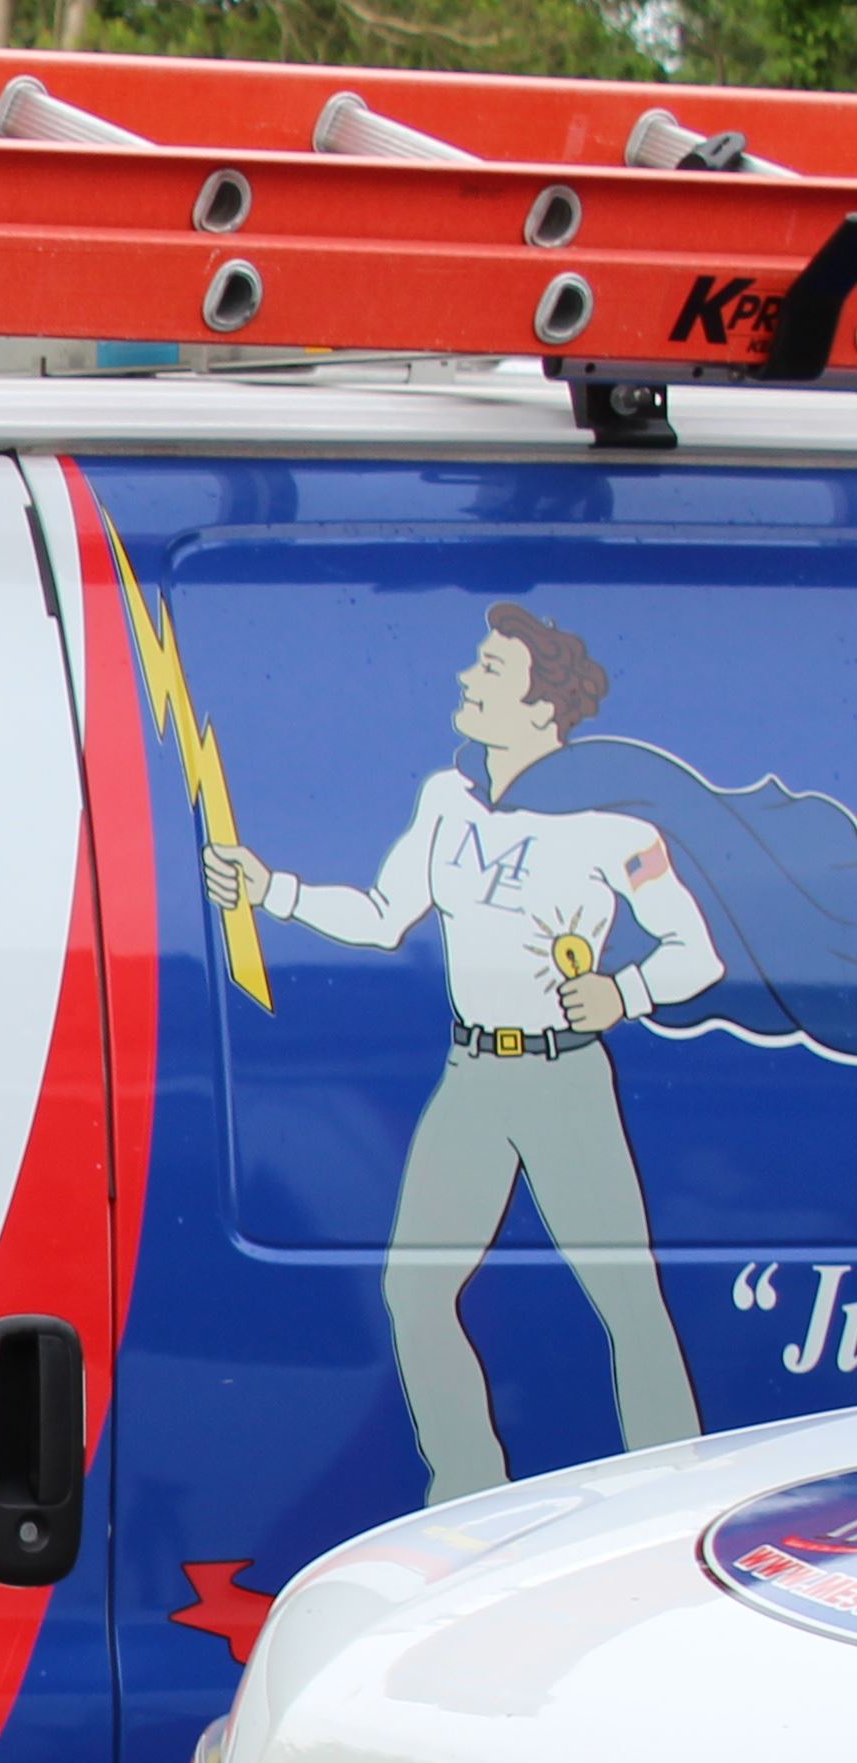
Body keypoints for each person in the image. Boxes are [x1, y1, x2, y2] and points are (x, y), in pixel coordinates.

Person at [206, 605, 714, 1502]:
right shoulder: (448, 802)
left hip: (564, 1078)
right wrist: (269, 889)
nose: (465, 681)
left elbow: (696, 955)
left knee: (630, 1305)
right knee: (415, 1292)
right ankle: (465, 1489)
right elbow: (379, 917)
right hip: (474, 1078)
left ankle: (672, 1504)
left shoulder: (613, 825)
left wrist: (621, 993)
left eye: (488, 669)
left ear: (541, 707)